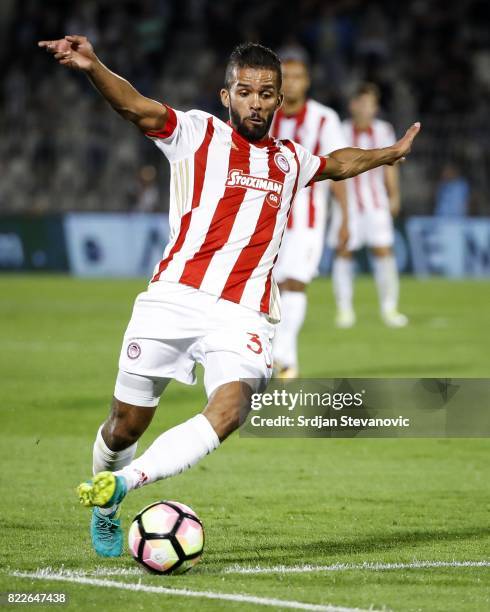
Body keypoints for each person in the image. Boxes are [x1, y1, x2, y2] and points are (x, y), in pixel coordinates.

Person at [38, 36, 420, 557]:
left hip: (243, 313)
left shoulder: (289, 160)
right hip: (172, 298)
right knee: (125, 426)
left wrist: (387, 154)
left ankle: (128, 484)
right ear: (226, 95)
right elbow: (135, 107)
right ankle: (106, 504)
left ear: (279, 101)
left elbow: (337, 163)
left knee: (232, 407)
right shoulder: (196, 133)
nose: (256, 102)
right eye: (245, 92)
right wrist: (92, 66)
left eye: (266, 94)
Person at [270, 55, 349, 378]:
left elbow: (341, 166)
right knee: (269, 287)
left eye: (297, 76)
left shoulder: (324, 119)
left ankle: (285, 357)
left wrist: (345, 217)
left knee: (295, 282)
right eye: (285, 76)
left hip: (309, 219)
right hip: (267, 218)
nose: (291, 82)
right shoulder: (263, 115)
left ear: (307, 81)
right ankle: (278, 356)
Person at [328, 83, 408, 328]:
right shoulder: (339, 130)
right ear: (353, 105)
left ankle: (389, 308)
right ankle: (344, 310)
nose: (367, 108)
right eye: (363, 103)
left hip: (375, 204)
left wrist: (394, 195)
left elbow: (389, 166)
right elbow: (332, 166)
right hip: (347, 204)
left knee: (383, 251)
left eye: (372, 104)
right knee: (344, 253)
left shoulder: (384, 130)